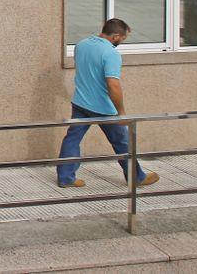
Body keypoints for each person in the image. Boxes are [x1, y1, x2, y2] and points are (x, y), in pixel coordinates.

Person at [56, 18, 160, 189]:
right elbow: (113, 84)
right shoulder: (111, 54)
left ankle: (66, 178)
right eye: (123, 39)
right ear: (116, 36)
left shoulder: (81, 45)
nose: (122, 42)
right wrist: (121, 112)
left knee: (72, 139)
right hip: (103, 107)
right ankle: (137, 178)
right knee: (122, 142)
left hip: (80, 103)